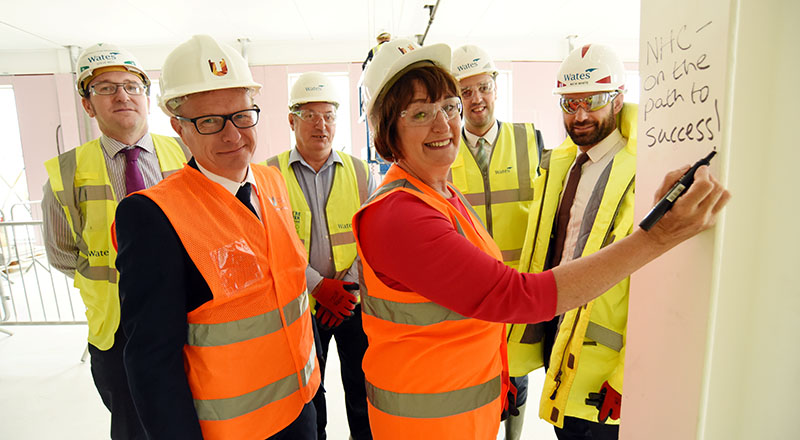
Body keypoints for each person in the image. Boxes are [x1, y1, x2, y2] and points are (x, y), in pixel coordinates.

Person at [355, 38, 729, 439]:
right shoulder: (399, 215)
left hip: (465, 406)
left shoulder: (442, 192)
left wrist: (499, 369)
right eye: (420, 113)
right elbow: (515, 295)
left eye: (449, 107)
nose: (444, 125)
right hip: (424, 423)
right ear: (387, 131)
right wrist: (656, 238)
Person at [114, 35, 320, 440]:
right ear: (179, 127)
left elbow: (288, 295)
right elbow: (151, 361)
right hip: (233, 430)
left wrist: (315, 399)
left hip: (302, 407)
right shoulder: (154, 216)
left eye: (242, 116)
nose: (232, 136)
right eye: (209, 122)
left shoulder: (272, 182)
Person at [42, 42, 187, 439]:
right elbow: (61, 252)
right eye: (106, 88)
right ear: (88, 104)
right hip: (116, 326)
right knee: (131, 423)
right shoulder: (67, 171)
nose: (122, 95)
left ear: (147, 95)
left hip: (187, 309)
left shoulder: (185, 151)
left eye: (131, 85)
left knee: (194, 413)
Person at [517, 43, 635, 440]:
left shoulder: (641, 172)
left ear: (618, 100)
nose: (580, 115)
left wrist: (626, 374)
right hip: (559, 344)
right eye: (570, 103)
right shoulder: (561, 166)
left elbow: (656, 287)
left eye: (593, 101)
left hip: (604, 371)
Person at [264, 71, 376, 440]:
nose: (320, 125)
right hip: (297, 306)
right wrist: (316, 287)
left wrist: (347, 287)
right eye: (310, 115)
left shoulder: (362, 172)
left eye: (328, 115)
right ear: (292, 120)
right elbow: (269, 241)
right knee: (309, 395)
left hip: (352, 302)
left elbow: (372, 239)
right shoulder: (268, 175)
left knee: (363, 392)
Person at [450, 44, 545, 440]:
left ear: (496, 88)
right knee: (474, 378)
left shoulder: (530, 140)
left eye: (483, 88)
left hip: (516, 289)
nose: (476, 100)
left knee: (517, 375)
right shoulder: (442, 148)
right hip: (467, 293)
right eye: (466, 92)